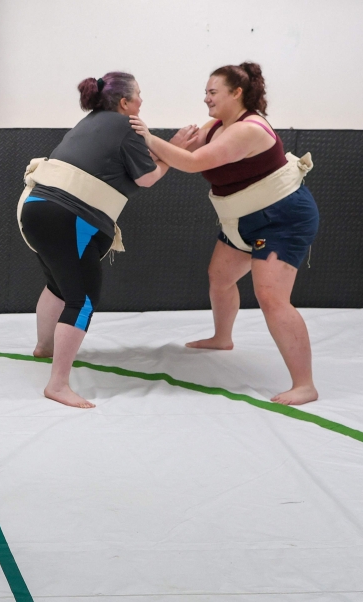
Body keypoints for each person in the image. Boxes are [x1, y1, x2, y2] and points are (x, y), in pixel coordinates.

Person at [130, 62, 320, 405]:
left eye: (212, 92)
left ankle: (305, 384)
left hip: (283, 219)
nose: (206, 99)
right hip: (241, 220)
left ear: (237, 93)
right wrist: (158, 145)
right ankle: (222, 338)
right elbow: (183, 152)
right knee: (220, 277)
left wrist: (148, 135)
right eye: (205, 92)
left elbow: (192, 163)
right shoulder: (217, 125)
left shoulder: (249, 129)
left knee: (271, 297)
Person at [18, 72, 174, 409]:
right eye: (139, 96)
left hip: (34, 208)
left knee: (57, 285)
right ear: (124, 103)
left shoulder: (88, 122)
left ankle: (44, 347)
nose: (142, 102)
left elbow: (115, 175)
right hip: (67, 216)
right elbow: (146, 178)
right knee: (83, 299)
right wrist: (171, 158)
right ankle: (58, 384)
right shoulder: (126, 126)